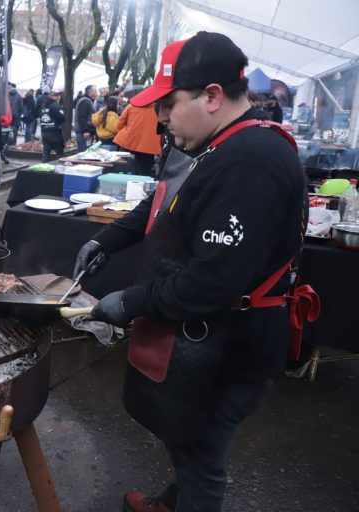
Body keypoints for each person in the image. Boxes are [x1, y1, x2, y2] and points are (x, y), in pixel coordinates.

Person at [72, 31, 312, 512]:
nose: (159, 117)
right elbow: (164, 206)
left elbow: (214, 280)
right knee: (187, 438)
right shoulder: (216, 144)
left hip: (232, 345)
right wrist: (107, 238)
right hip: (202, 338)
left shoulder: (250, 162)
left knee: (202, 453)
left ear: (212, 96)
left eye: (168, 103)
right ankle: (173, 502)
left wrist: (131, 301)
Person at [114, 103, 162, 176]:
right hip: (149, 145)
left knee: (123, 170)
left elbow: (120, 124)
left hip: (129, 141)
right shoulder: (159, 108)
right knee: (144, 173)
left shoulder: (132, 106)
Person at [38, 90, 65, 162]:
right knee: (59, 152)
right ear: (53, 96)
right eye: (57, 96)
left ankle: (43, 169)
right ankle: (58, 169)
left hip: (44, 131)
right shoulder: (55, 105)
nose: (58, 97)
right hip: (54, 132)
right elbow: (62, 117)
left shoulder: (43, 105)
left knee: (46, 153)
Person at [74, 84, 98, 151]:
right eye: (95, 91)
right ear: (90, 93)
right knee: (84, 152)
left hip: (84, 132)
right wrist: (86, 131)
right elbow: (81, 117)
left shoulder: (87, 101)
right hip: (83, 132)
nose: (97, 93)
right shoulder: (85, 101)